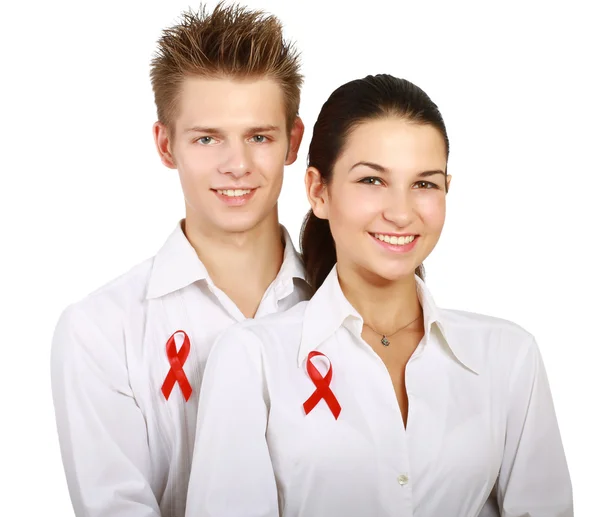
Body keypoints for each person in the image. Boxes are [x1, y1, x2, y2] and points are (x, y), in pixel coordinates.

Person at [185, 74, 573, 517]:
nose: (401, 212)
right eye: (372, 181)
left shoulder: (507, 357)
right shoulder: (253, 359)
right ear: (319, 191)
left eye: (424, 184)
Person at [50, 4, 310, 517]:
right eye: (207, 138)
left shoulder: (348, 306)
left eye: (259, 136)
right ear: (166, 145)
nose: (236, 165)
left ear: (292, 142)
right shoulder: (102, 331)